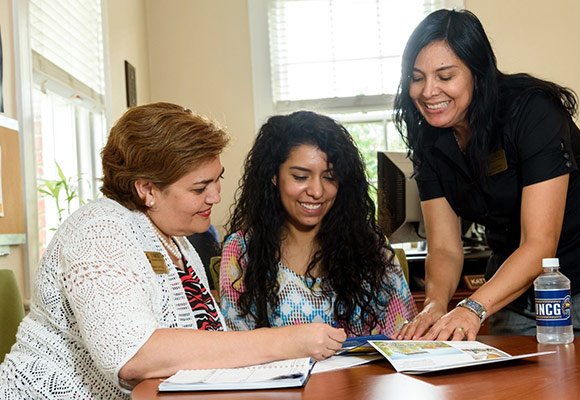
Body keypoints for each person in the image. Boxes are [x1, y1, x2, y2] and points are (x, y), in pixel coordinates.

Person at [0, 103, 346, 399]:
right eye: (200, 187)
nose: (216, 196)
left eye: (217, 179)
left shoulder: (174, 239)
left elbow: (207, 344)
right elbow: (135, 355)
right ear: (147, 189)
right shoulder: (99, 230)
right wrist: (286, 342)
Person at [392, 9, 580, 341]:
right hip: (515, 298)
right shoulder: (430, 137)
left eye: (445, 76)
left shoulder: (532, 112)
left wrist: (472, 308)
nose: (427, 91)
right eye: (417, 77)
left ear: (478, 74)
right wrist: (434, 306)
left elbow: (539, 244)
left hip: (572, 281)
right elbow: (445, 248)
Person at [219, 110, 417, 337]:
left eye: (330, 177)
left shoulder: (370, 245)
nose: (317, 191)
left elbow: (404, 336)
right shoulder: (242, 250)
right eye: (301, 177)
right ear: (274, 176)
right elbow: (237, 347)